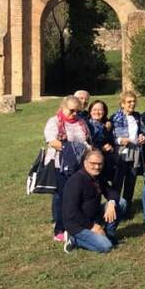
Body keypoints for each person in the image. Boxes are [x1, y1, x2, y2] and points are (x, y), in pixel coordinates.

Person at [44, 95, 91, 242]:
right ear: (63, 108)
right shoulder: (54, 121)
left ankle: (77, 223)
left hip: (78, 165)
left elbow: (87, 140)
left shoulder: (81, 122)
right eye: (71, 110)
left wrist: (86, 149)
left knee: (77, 195)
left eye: (77, 111)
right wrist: (72, 148)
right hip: (60, 165)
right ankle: (60, 228)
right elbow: (52, 141)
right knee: (62, 197)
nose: (74, 114)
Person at [62, 149, 122, 253]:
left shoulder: (97, 177)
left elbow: (112, 192)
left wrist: (111, 203)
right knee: (106, 247)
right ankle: (74, 239)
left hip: (94, 216)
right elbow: (71, 212)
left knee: (121, 203)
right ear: (85, 163)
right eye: (93, 163)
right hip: (77, 224)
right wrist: (92, 226)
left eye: (100, 164)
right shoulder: (76, 181)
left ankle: (109, 235)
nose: (97, 167)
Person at [111, 91, 145, 211]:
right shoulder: (115, 117)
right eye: (129, 102)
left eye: (133, 101)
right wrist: (120, 140)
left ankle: (127, 207)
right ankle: (115, 207)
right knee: (118, 181)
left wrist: (142, 136)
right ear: (122, 104)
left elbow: (142, 130)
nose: (132, 104)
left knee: (131, 180)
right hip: (121, 151)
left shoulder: (137, 116)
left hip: (135, 151)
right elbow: (111, 137)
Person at [86, 100, 116, 186]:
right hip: (91, 161)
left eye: (100, 110)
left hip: (106, 161)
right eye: (94, 110)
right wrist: (100, 149)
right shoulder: (87, 125)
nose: (97, 112)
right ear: (90, 111)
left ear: (104, 112)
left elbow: (112, 141)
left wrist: (111, 147)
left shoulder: (107, 125)